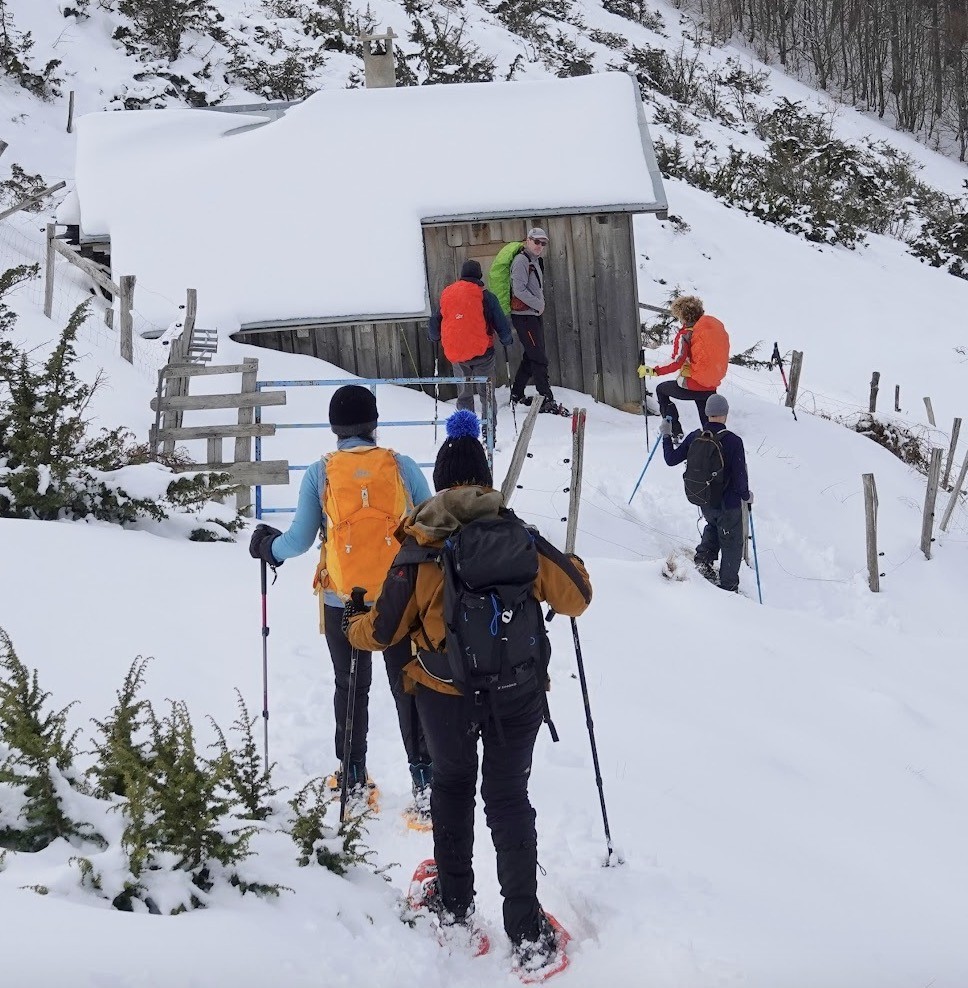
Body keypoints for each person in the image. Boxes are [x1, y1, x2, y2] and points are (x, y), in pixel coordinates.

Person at [344, 410, 592, 969]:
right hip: (518, 693)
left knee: (453, 789)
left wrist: (352, 622)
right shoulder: (520, 537)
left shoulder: (421, 547)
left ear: (439, 483)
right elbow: (576, 597)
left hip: (444, 694)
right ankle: (527, 932)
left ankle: (454, 906)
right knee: (508, 799)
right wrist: (570, 563)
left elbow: (383, 633)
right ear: (485, 481)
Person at [248, 384, 434, 814]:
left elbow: (297, 541)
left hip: (341, 602)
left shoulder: (322, 472)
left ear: (335, 428)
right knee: (406, 683)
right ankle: (423, 782)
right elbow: (431, 525)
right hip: (400, 599)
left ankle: (352, 779)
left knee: (350, 685)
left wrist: (266, 548)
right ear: (374, 424)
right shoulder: (401, 466)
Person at [661, 393, 752, 592]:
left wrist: (666, 435)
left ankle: (703, 561)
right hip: (729, 504)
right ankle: (729, 587)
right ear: (725, 414)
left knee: (712, 525)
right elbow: (739, 477)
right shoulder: (733, 441)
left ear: (707, 413)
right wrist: (746, 495)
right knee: (731, 543)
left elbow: (671, 459)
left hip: (705, 499)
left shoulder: (696, 436)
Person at [428, 259, 513, 445]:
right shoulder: (486, 296)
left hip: (457, 356)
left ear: (462, 275)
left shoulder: (449, 294)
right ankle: (489, 433)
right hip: (484, 354)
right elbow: (500, 321)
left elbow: (435, 321)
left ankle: (466, 436)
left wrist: (434, 337)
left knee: (464, 395)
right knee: (486, 394)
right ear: (480, 276)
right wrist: (507, 339)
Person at [639, 295, 729, 441]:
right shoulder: (709, 331)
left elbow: (677, 361)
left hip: (692, 385)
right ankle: (713, 442)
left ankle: (675, 432)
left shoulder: (686, 334)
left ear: (682, 316)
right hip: (710, 385)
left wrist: (653, 371)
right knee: (705, 414)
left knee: (661, 390)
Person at [509, 228, 568, 416]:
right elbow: (518, 289)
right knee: (539, 357)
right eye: (536, 242)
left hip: (532, 314)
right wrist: (539, 305)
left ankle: (517, 394)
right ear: (528, 240)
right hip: (524, 316)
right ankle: (546, 398)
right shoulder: (521, 261)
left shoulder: (533, 261)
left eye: (544, 243)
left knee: (531, 355)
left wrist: (537, 307)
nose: (540, 246)